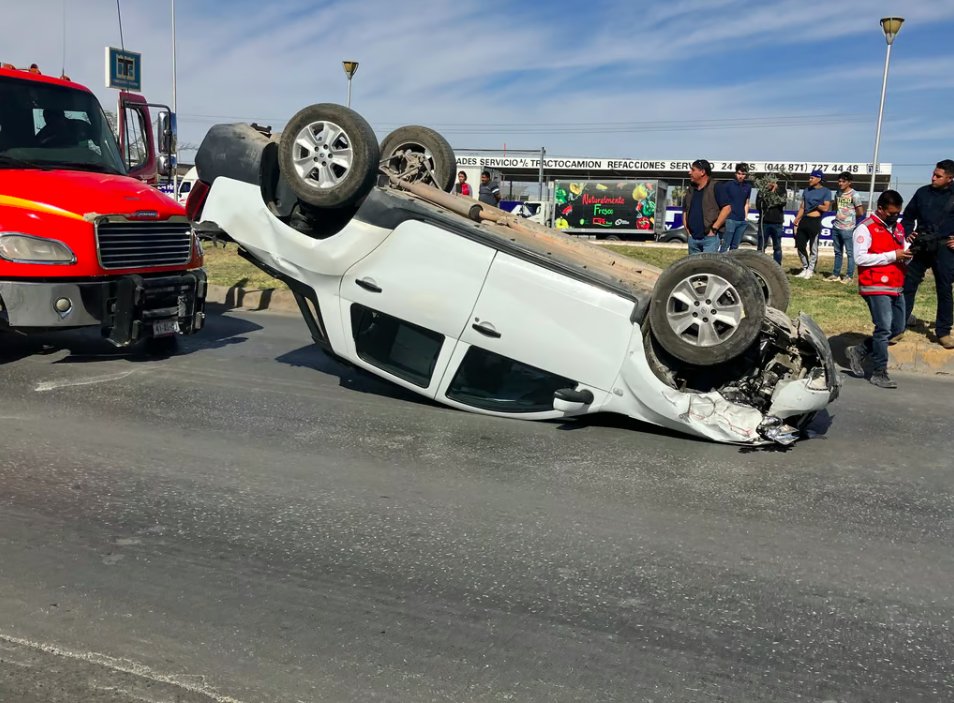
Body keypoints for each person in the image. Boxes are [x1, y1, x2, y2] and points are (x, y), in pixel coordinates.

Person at [845, 190, 912, 388]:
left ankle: (859, 350)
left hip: (896, 285)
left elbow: (902, 254)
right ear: (880, 209)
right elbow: (860, 258)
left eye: (898, 213)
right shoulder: (865, 228)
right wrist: (893, 255)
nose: (895, 216)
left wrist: (910, 251)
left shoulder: (898, 228)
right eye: (891, 213)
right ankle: (879, 372)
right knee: (883, 328)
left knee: (897, 328)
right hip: (874, 284)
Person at [900, 159, 954, 349]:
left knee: (944, 289)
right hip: (921, 245)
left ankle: (944, 332)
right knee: (907, 285)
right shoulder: (922, 192)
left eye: (938, 176)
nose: (933, 178)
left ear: (950, 178)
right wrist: (908, 232)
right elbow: (907, 216)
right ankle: (898, 327)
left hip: (944, 247)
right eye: (933, 173)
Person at [681, 159, 730, 255]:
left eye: (693, 170)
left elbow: (727, 208)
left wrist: (714, 228)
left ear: (702, 172)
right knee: (694, 268)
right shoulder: (691, 189)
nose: (689, 172)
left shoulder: (716, 186)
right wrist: (687, 229)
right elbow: (685, 210)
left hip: (710, 239)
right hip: (693, 239)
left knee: (708, 268)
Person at [792, 169, 832, 279]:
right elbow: (802, 207)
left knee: (813, 248)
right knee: (800, 245)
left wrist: (817, 205)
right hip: (804, 220)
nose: (809, 179)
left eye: (812, 178)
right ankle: (805, 267)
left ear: (819, 179)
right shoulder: (806, 190)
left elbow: (826, 207)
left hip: (815, 221)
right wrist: (797, 219)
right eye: (809, 177)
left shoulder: (826, 191)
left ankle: (811, 269)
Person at [826, 171, 865, 283]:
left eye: (843, 181)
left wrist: (850, 219)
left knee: (850, 253)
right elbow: (837, 207)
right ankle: (836, 274)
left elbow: (860, 212)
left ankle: (849, 276)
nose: (840, 183)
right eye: (839, 181)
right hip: (836, 226)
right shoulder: (837, 193)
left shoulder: (855, 195)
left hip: (848, 228)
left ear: (849, 182)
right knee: (837, 252)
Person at [754, 173, 787, 265]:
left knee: (777, 247)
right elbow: (758, 205)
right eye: (768, 181)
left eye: (772, 181)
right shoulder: (761, 192)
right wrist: (767, 196)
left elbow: (782, 202)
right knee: (761, 246)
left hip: (777, 223)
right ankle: (759, 265)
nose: (770, 183)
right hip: (764, 222)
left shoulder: (781, 190)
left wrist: (775, 191)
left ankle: (777, 266)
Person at [719, 162, 752, 252]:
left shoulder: (748, 187)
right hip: (730, 219)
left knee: (735, 248)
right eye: (739, 173)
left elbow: (746, 202)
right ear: (735, 173)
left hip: (741, 220)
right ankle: (720, 263)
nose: (741, 176)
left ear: (746, 175)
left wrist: (746, 217)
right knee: (725, 246)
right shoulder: (728, 185)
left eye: (743, 174)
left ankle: (731, 265)